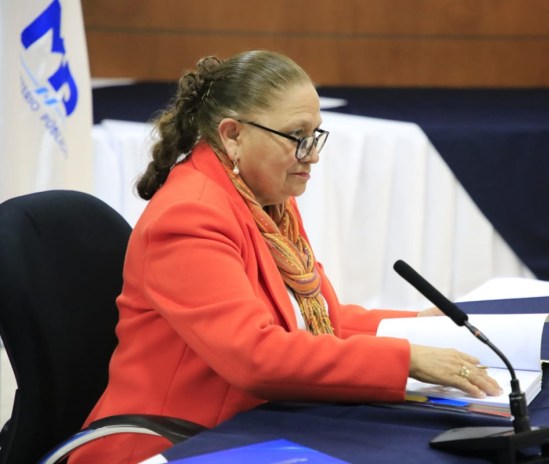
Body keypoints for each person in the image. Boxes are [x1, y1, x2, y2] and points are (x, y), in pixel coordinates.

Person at [70, 50, 501, 463]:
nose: (312, 155)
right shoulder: (189, 215)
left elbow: (316, 320)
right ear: (233, 135)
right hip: (171, 441)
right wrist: (407, 358)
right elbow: (255, 357)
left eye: (315, 135)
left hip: (247, 423)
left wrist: (418, 328)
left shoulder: (268, 197)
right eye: (297, 137)